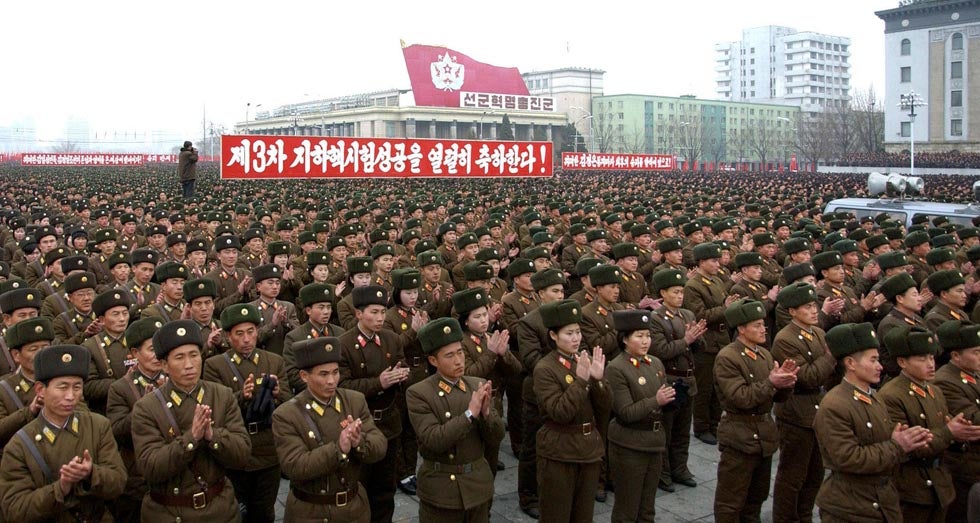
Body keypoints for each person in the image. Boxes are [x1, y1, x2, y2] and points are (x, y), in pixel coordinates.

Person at [131, 320, 251, 522]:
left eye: (194, 355)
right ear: (164, 366)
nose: (189, 365)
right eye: (179, 357)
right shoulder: (147, 407)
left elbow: (242, 455)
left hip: (220, 510)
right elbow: (150, 468)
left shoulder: (222, 395)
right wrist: (191, 438)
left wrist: (213, 436)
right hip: (170, 512)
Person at [814, 322, 933, 522]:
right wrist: (897, 445)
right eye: (873, 360)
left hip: (880, 500)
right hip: (850, 507)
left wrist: (905, 439)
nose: (880, 366)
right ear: (851, 363)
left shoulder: (873, 397)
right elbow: (849, 458)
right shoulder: (835, 405)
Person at [0, 344, 127, 522]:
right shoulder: (20, 444)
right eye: (62, 387)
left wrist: (91, 473)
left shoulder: (97, 426)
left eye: (77, 387)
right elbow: (15, 510)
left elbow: (118, 482)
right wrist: (60, 488)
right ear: (40, 390)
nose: (70, 396)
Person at [272, 336, 388, 523]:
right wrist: (338, 449)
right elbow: (294, 466)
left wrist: (360, 441)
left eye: (335, 372)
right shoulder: (286, 414)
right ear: (304, 376)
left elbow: (380, 445)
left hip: (354, 510)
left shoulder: (354, 400)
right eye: (323, 374)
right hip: (310, 513)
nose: (332, 381)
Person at [406, 317, 504, 522]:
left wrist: (486, 414)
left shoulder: (476, 384)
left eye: (460, 352)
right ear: (434, 361)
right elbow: (434, 439)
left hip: (477, 484)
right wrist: (469, 414)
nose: (459, 360)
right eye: (449, 355)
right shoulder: (419, 393)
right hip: (441, 489)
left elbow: (496, 438)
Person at [878, 325, 980, 522]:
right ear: (902, 362)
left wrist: (959, 436)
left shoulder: (933, 391)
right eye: (921, 359)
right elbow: (912, 447)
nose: (930, 364)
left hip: (939, 484)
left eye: (931, 357)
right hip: (911, 488)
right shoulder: (892, 395)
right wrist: (950, 432)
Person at [203, 303, 292, 523]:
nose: (246, 339)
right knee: (235, 510)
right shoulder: (215, 365)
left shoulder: (273, 360)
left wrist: (279, 395)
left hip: (267, 447)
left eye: (251, 332)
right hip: (234, 447)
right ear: (228, 336)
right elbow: (214, 408)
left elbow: (291, 404)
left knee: (264, 511)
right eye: (239, 334)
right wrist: (242, 396)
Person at [713, 298, 798, 523]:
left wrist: (785, 384)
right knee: (730, 503)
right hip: (739, 435)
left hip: (763, 436)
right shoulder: (728, 357)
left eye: (763, 324)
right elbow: (740, 397)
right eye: (757, 325)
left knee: (756, 499)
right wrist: (772, 383)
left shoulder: (764, 354)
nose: (763, 329)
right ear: (741, 329)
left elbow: (775, 397)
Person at [533, 299, 611, 523]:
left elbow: (605, 407)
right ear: (553, 335)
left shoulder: (582, 360)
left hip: (588, 448)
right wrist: (582, 381)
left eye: (578, 332)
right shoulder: (546, 368)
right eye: (569, 333)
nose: (576, 338)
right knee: (556, 513)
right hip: (560, 449)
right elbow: (560, 412)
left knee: (583, 514)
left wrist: (598, 381)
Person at [338, 285, 409, 523]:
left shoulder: (392, 339)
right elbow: (343, 386)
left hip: (389, 421)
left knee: (385, 488)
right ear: (358, 314)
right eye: (374, 312)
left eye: (383, 312)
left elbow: (401, 364)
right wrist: (378, 382)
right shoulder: (344, 344)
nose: (380, 318)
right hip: (361, 424)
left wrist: (401, 376)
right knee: (360, 486)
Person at [770, 282, 836, 522]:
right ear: (792, 311)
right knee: (792, 475)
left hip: (817, 407)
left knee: (815, 473)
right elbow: (807, 377)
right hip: (796, 411)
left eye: (814, 306)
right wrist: (829, 356)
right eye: (807, 307)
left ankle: (804, 514)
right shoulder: (785, 339)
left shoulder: (817, 332)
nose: (814, 310)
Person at [606, 309, 674, 522]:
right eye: (639, 336)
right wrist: (656, 401)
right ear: (625, 339)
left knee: (647, 508)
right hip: (630, 444)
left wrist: (672, 398)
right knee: (627, 507)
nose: (646, 341)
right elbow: (625, 412)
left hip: (654, 442)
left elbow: (663, 397)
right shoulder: (617, 368)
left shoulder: (654, 362)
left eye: (648, 336)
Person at [648, 269, 705, 492]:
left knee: (682, 430)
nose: (680, 296)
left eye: (682, 292)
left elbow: (699, 348)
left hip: (688, 381)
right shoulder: (656, 319)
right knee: (667, 430)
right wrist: (686, 340)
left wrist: (697, 339)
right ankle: (663, 473)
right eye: (675, 292)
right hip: (670, 379)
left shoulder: (688, 315)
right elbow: (660, 350)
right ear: (663, 293)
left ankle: (680, 468)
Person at [105, 317, 166, 523]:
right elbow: (117, 432)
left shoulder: (175, 379)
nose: (158, 355)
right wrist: (143, 407)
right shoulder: (121, 388)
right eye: (151, 349)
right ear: (134, 354)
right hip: (139, 478)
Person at [934, 320, 980, 522]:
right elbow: (974, 422)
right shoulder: (946, 381)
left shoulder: (972, 373)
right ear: (955, 356)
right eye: (976, 352)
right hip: (966, 470)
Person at [0, 317, 54, 447]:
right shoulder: (4, 389)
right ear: (16, 355)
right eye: (33, 349)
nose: (41, 354)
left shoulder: (64, 379)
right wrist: (30, 411)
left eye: (45, 347)